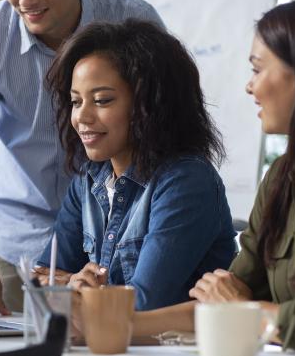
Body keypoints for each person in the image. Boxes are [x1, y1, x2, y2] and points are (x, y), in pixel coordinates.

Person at [0, 0, 164, 313]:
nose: (25, 1)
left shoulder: (134, 21)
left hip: (126, 240)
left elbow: (165, 133)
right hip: (23, 249)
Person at [123, 0, 295, 351]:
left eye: (258, 69)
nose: (250, 86)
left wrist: (242, 308)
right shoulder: (282, 174)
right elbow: (228, 295)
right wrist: (113, 324)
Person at [33, 19, 236, 310]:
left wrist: (73, 290)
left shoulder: (185, 180)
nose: (82, 117)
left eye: (102, 100)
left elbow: (144, 303)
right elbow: (40, 279)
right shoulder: (88, 180)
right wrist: (72, 282)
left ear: (150, 104)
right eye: (76, 102)